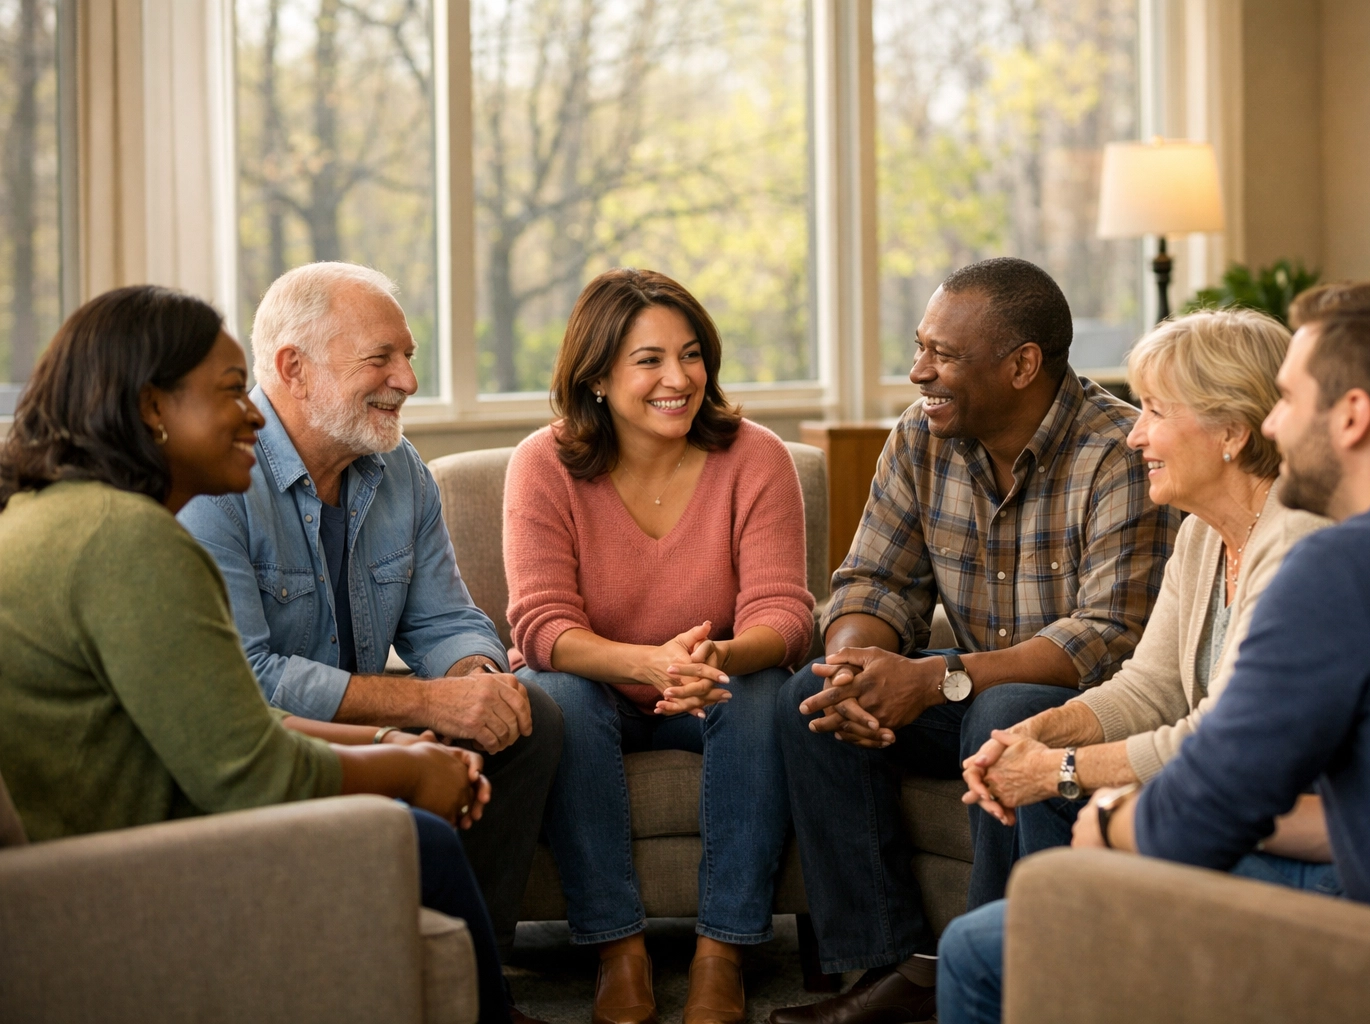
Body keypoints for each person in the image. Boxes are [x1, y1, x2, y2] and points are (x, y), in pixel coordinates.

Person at [936, 281, 1370, 1024]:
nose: (1274, 423)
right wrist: (1062, 752)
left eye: (1288, 399)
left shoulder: (1339, 565)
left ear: (1352, 417)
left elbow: (1215, 799)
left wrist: (1110, 820)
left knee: (982, 951)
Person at [0, 285, 512, 1023]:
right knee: (417, 837)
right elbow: (251, 768)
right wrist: (407, 766)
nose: (253, 412)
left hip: (115, 833)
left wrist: (391, 741)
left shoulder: (60, 517)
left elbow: (226, 721)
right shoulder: (130, 543)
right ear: (152, 410)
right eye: (234, 392)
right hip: (118, 869)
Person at [771, 258, 1178, 1024]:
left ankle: (1000, 977)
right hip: (964, 689)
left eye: (944, 355)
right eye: (921, 347)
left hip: (1081, 706)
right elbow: (873, 581)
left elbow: (1106, 637)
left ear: (1023, 365)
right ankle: (885, 971)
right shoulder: (922, 437)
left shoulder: (1119, 452)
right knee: (809, 695)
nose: (921, 371)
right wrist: (856, 664)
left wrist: (933, 679)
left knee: (1009, 714)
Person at [179, 262, 562, 964]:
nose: (408, 381)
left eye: (408, 357)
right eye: (380, 358)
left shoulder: (402, 469)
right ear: (293, 368)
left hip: (380, 723)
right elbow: (248, 682)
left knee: (528, 714)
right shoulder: (217, 484)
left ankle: (473, 965)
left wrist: (476, 679)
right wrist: (424, 708)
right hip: (284, 741)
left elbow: (446, 619)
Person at [504, 268, 814, 1024]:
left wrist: (721, 660)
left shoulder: (757, 457)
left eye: (691, 355)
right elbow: (541, 627)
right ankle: (620, 952)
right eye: (649, 360)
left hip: (708, 691)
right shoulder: (542, 466)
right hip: (595, 687)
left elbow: (785, 612)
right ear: (599, 376)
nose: (678, 379)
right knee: (556, 694)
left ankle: (723, 953)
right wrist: (645, 662)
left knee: (767, 688)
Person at [958, 308, 1334, 890]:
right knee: (1040, 782)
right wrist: (1039, 734)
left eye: (1155, 411)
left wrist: (1055, 769)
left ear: (1231, 432)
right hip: (1218, 793)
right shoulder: (1203, 533)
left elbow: (1214, 741)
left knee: (1050, 795)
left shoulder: (1299, 538)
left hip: (1284, 825)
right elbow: (1150, 687)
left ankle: (1043, 959)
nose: (1134, 434)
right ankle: (1053, 960)